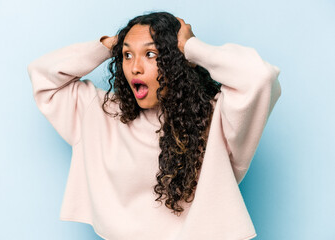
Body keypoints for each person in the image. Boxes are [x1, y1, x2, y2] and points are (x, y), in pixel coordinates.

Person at [27, 11, 281, 240]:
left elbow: (260, 78)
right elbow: (41, 73)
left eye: (151, 54)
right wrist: (110, 45)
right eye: (127, 55)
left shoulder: (217, 118)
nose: (135, 67)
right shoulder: (99, 112)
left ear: (176, 60)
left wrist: (192, 48)